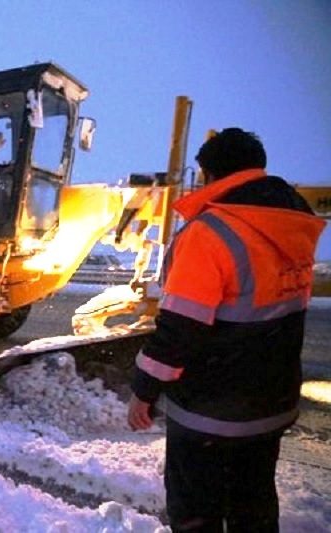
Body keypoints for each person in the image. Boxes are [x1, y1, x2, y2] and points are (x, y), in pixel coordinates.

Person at [127, 128, 326, 532]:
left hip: (210, 413)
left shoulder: (209, 233)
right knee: (253, 509)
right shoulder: (293, 226)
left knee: (196, 514)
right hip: (271, 404)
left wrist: (143, 392)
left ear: (208, 174)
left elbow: (180, 329)